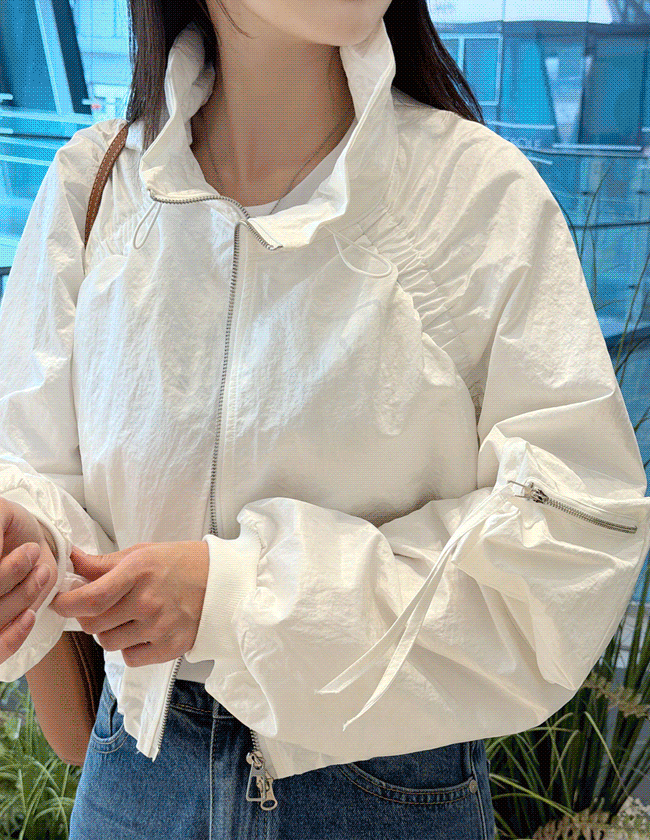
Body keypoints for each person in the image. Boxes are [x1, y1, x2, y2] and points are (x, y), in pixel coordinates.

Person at [0, 0, 649, 837]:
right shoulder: (96, 188)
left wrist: (239, 597)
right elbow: (34, 464)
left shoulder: (475, 198)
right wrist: (32, 546)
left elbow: (572, 543)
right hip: (138, 778)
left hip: (387, 787)